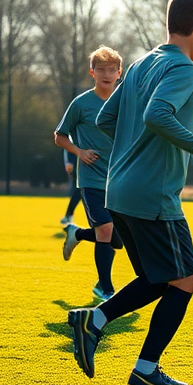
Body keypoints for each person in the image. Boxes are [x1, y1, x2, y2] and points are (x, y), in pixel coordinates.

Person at [66, 0, 193, 385]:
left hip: (119, 191)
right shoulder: (184, 68)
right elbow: (158, 115)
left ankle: (95, 323)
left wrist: (134, 151)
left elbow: (107, 120)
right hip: (153, 195)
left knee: (158, 277)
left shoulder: (142, 64)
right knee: (185, 279)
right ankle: (142, 365)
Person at [55, 46, 124, 301]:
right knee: (105, 231)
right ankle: (105, 288)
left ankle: (78, 234)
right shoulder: (81, 104)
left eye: (111, 70)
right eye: (100, 69)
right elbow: (59, 136)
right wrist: (80, 152)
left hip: (120, 180)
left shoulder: (126, 103)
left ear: (119, 72)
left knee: (119, 241)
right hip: (92, 179)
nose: (106, 74)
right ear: (91, 72)